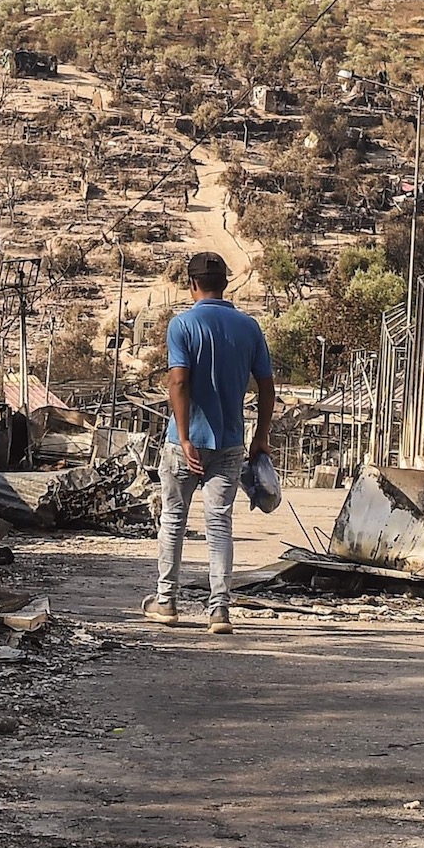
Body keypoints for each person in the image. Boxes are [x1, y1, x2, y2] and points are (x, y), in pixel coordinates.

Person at [147, 250, 275, 634]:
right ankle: (219, 610)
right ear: (225, 284)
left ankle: (166, 602)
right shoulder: (249, 327)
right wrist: (262, 437)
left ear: (191, 285)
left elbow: (179, 382)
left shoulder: (181, 325)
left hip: (185, 442)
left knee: (173, 519)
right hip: (231, 443)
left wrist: (184, 437)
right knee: (219, 524)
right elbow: (267, 388)